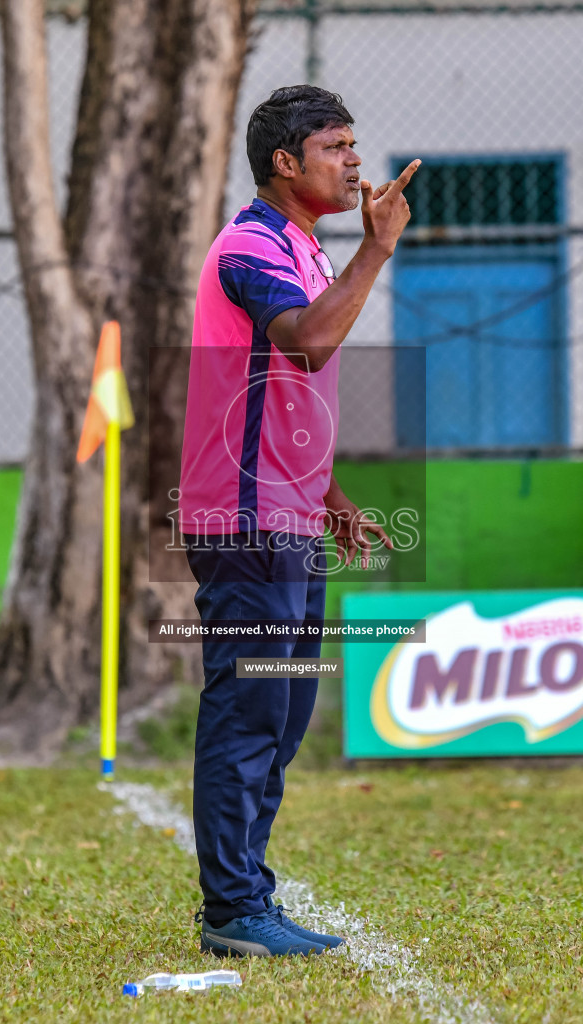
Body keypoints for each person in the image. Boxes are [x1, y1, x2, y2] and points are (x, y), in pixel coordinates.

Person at [178, 85, 416, 957]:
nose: (354, 160)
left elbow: (290, 400)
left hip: (288, 518)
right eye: (336, 146)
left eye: (355, 144)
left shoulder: (306, 250)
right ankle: (233, 912)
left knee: (282, 714)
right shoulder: (250, 246)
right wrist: (378, 252)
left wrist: (334, 500)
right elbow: (309, 343)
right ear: (286, 162)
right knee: (249, 711)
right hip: (243, 526)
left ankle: (249, 896)